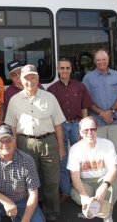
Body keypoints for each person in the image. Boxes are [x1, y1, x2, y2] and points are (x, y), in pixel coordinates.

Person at [5, 64, 65, 222]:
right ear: (21, 79)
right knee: (28, 181)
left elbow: (58, 124)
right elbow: (12, 127)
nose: (30, 81)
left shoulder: (49, 97)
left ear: (37, 79)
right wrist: (14, 148)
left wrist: (61, 147)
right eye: (26, 78)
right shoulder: (14, 100)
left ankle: (52, 213)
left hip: (49, 142)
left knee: (52, 180)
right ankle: (32, 211)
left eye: (33, 77)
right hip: (25, 143)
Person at [47, 57, 94, 202]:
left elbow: (84, 107)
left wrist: (84, 126)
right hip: (60, 126)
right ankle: (66, 191)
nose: (65, 71)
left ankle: (80, 189)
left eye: (67, 68)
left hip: (77, 125)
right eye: (62, 68)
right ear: (58, 70)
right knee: (63, 159)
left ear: (71, 70)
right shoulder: (51, 90)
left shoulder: (80, 86)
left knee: (80, 158)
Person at [0, 125, 45, 222]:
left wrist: (25, 220)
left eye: (8, 140)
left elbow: (33, 194)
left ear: (14, 140)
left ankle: (20, 217)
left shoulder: (27, 160)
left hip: (23, 202)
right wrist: (6, 201)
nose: (5, 144)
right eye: (1, 141)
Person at [82, 49, 117, 181]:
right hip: (96, 124)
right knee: (98, 156)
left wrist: (110, 112)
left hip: (115, 122)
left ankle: (116, 187)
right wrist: (102, 113)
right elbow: (87, 101)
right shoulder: (88, 78)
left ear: (108, 60)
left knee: (116, 154)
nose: (101, 62)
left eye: (104, 59)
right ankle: (101, 186)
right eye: (98, 60)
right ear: (94, 62)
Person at [67, 116, 117, 222]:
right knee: (76, 195)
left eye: (93, 129)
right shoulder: (74, 149)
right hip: (85, 182)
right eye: (86, 130)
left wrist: (104, 186)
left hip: (103, 178)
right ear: (80, 132)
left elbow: (114, 169)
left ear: (96, 130)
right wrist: (84, 196)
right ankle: (92, 208)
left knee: (111, 188)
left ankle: (106, 215)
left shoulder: (107, 144)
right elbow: (75, 176)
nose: (90, 133)